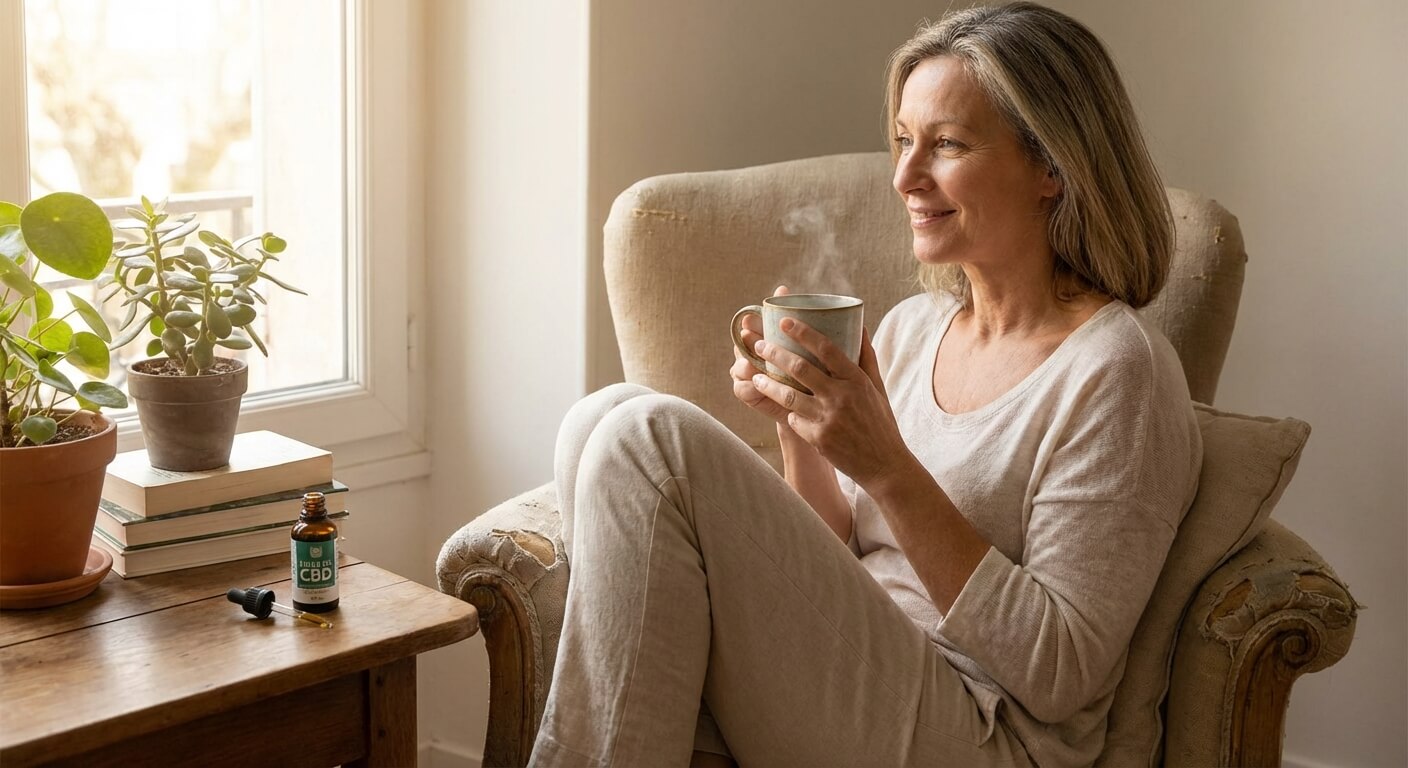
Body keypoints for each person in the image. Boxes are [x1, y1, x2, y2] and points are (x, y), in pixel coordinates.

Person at [530, 3, 1201, 766]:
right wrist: (802, 426)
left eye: (945, 145)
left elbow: (1059, 671)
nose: (906, 177)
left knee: (644, 435)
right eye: (904, 142)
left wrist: (887, 465)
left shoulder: (1117, 372)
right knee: (602, 417)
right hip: (854, 681)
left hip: (986, 731)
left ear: (1052, 166)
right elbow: (834, 555)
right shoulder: (916, 328)